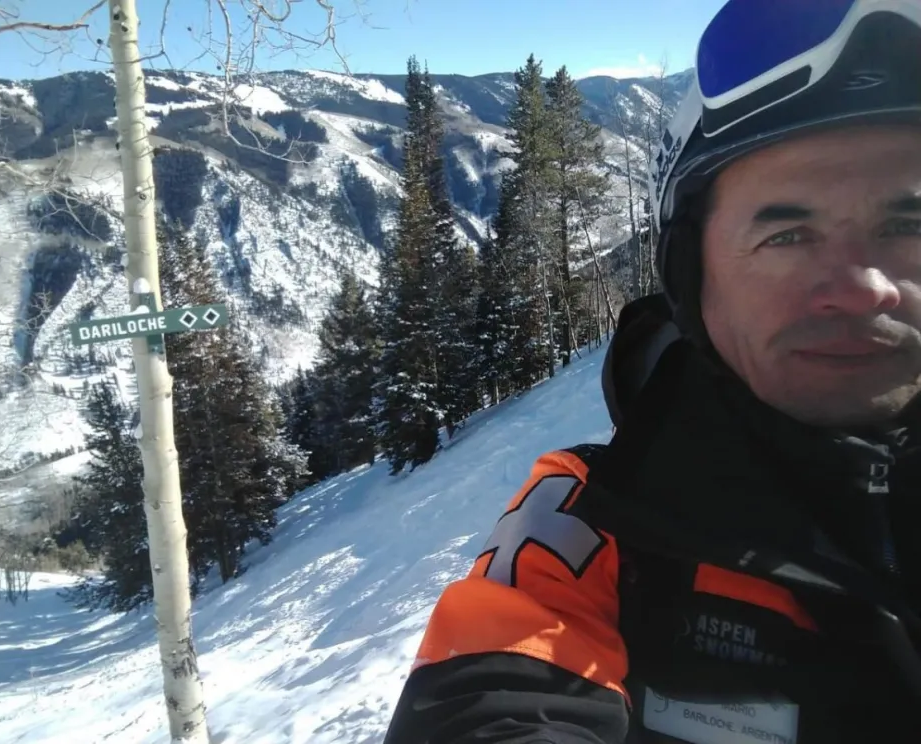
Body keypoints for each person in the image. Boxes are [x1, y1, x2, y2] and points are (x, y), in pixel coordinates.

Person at [382, 1, 921, 742]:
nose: (864, 287)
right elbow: (498, 692)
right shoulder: (596, 523)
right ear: (691, 276)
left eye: (909, 225)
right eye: (788, 234)